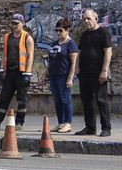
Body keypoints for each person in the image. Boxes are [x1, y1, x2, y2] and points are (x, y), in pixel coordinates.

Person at [0, 13, 35, 131]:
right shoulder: (7, 37)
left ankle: (19, 122)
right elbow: (5, 54)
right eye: (13, 23)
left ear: (23, 23)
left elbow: (30, 56)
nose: (14, 25)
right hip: (10, 72)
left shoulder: (27, 38)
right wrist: (2, 68)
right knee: (4, 98)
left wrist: (28, 72)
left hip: (21, 72)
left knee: (22, 99)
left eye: (17, 23)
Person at [75, 9, 113, 137]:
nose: (86, 21)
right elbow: (79, 53)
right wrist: (77, 68)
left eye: (88, 19)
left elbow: (108, 52)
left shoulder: (103, 32)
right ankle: (90, 127)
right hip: (84, 73)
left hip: (98, 72)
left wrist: (104, 71)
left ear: (96, 19)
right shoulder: (85, 35)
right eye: (84, 19)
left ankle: (106, 128)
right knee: (86, 101)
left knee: (101, 100)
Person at [46, 18, 79, 133]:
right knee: (57, 100)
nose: (58, 33)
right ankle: (61, 123)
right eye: (57, 31)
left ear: (67, 30)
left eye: (61, 31)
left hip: (64, 75)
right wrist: (47, 71)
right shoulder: (55, 43)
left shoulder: (71, 44)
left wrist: (70, 77)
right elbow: (51, 59)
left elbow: (74, 63)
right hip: (54, 75)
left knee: (66, 99)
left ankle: (68, 123)